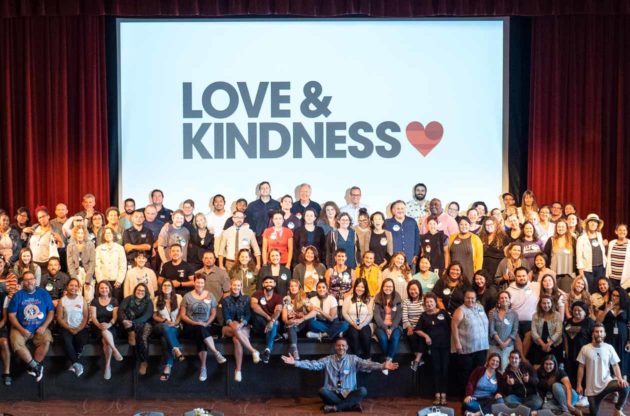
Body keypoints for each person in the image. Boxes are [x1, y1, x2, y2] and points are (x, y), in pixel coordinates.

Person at [281, 337, 399, 414]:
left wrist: (383, 366)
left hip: (348, 393)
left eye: (343, 345)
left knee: (363, 390)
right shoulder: (328, 359)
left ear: (346, 348)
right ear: (335, 347)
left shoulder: (353, 359)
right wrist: (295, 362)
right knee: (322, 391)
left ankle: (335, 408)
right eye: (338, 345)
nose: (341, 347)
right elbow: (313, 364)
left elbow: (367, 364)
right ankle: (350, 405)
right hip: (333, 394)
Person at [7, 270, 54, 382]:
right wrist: (21, 330)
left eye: (31, 279)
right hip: (21, 327)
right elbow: (11, 315)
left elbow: (51, 312)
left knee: (46, 340)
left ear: (35, 280)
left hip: (40, 327)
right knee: (16, 342)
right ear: (23, 282)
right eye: (26, 280)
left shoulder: (43, 293)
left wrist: (44, 326)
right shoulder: (18, 295)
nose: (29, 282)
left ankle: (33, 367)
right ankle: (36, 367)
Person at [179, 274, 226, 382]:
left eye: (202, 282)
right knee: (200, 329)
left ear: (204, 284)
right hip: (190, 326)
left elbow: (213, 313)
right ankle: (215, 353)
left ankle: (203, 368)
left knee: (201, 333)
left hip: (206, 326)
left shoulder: (210, 295)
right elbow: (183, 315)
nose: (199, 284)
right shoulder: (187, 296)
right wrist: (194, 323)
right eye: (198, 282)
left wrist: (206, 323)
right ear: (194, 282)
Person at [576, 323, 629, 416]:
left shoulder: (609, 348)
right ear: (593, 334)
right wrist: (579, 384)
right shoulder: (585, 349)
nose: (599, 334)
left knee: (625, 387)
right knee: (593, 413)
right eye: (597, 331)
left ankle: (618, 410)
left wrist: (620, 378)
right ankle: (581, 412)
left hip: (607, 383)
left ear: (604, 334)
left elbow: (615, 365)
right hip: (591, 389)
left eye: (601, 331)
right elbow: (581, 367)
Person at [414, 292, 451, 405]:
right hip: (433, 347)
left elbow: (452, 326)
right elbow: (417, 329)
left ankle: (443, 394)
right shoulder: (424, 315)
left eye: (431, 302)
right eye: (427, 302)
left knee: (444, 370)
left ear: (435, 302)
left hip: (445, 346)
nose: (429, 304)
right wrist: (426, 336)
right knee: (436, 369)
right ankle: (437, 395)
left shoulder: (443, 313)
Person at [222, 278, 261, 381]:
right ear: (230, 286)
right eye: (234, 285)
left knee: (236, 340)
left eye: (238, 285)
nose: (236, 287)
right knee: (235, 326)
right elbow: (226, 316)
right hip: (228, 327)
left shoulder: (246, 298)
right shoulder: (225, 299)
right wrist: (233, 324)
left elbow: (248, 315)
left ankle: (238, 370)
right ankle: (253, 351)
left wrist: (242, 323)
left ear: (241, 287)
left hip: (243, 326)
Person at [452, 290, 489, 395]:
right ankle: (465, 396)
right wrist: (457, 343)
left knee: (479, 372)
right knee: (466, 374)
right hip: (467, 348)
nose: (470, 300)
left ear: (476, 298)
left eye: (472, 298)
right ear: (464, 298)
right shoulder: (460, 310)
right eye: (468, 297)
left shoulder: (480, 307)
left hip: (481, 347)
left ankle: (476, 394)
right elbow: (454, 327)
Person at [89, 281, 124, 380]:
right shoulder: (94, 301)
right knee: (104, 333)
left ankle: (107, 365)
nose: (104, 290)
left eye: (106, 288)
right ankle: (114, 351)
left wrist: (109, 324)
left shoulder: (114, 301)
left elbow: (115, 317)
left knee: (105, 339)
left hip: (111, 326)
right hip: (97, 326)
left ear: (109, 289)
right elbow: (94, 318)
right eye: (101, 288)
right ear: (98, 290)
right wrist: (100, 326)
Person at [56, 278, 89, 377]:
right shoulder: (62, 301)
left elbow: (86, 316)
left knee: (82, 340)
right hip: (66, 327)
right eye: (71, 285)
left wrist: (79, 328)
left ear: (79, 288)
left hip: (80, 327)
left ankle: (72, 362)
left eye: (76, 286)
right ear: (67, 286)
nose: (73, 287)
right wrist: (69, 328)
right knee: (67, 341)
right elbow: (59, 318)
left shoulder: (82, 299)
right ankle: (76, 364)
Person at [152, 280, 184, 382]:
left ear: (172, 287)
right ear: (161, 288)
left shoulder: (178, 298)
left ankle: (168, 366)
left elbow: (181, 313)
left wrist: (176, 322)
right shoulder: (156, 299)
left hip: (175, 327)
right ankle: (176, 349)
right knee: (165, 327)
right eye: (164, 285)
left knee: (164, 339)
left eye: (168, 285)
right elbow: (154, 316)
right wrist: (165, 320)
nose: (166, 287)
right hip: (160, 326)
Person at [119, 283, 153, 375]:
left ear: (146, 292)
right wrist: (124, 320)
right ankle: (131, 332)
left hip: (145, 324)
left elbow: (147, 316)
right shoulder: (129, 299)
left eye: (143, 291)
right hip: (129, 324)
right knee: (126, 315)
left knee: (143, 337)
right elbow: (121, 310)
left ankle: (144, 362)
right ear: (135, 290)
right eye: (138, 290)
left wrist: (133, 323)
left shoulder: (148, 301)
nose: (140, 292)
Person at [507, 266, 540, 359]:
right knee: (515, 335)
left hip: (530, 320)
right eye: (519, 276)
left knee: (529, 334)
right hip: (515, 321)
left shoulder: (536, 286)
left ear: (527, 276)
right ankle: (522, 359)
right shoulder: (509, 290)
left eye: (523, 276)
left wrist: (565, 296)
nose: (522, 278)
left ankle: (520, 359)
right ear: (515, 277)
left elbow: (553, 287)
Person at [250, 275, 283, 364]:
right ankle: (275, 334)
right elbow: (254, 306)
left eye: (271, 282)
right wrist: (268, 318)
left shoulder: (278, 297)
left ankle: (267, 350)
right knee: (257, 316)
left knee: (275, 323)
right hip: (259, 324)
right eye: (266, 282)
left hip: (271, 324)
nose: (269, 284)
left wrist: (272, 321)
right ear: (263, 284)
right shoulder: (257, 294)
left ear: (274, 284)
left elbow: (278, 311)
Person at [282, 278, 317, 360]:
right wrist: (288, 321)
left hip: (302, 325)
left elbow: (314, 311)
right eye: (291, 286)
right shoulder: (286, 299)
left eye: (295, 286)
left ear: (299, 288)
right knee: (291, 325)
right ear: (289, 288)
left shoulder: (304, 298)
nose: (293, 288)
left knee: (309, 319)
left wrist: (302, 318)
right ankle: (295, 350)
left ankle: (289, 335)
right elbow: (284, 318)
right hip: (291, 324)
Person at [373, 278, 402, 373]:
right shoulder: (378, 298)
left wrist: (392, 328)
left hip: (395, 326)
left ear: (393, 288)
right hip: (381, 326)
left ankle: (388, 361)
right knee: (383, 338)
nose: (388, 288)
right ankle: (388, 361)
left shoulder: (397, 298)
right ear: (382, 287)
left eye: (390, 286)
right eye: (386, 286)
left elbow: (398, 316)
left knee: (394, 338)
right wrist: (386, 329)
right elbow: (376, 316)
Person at [598, 287, 630, 376]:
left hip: (622, 338)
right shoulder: (606, 306)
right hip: (608, 337)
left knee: (622, 359)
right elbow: (598, 322)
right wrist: (607, 309)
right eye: (613, 295)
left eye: (617, 296)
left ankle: (622, 382)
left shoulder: (627, 307)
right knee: (609, 359)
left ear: (622, 297)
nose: (614, 297)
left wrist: (629, 341)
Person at [342, 278, 374, 359]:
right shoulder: (348, 298)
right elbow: (344, 313)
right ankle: (356, 359)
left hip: (364, 323)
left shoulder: (369, 299)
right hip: (351, 324)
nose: (360, 289)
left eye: (362, 287)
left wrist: (362, 324)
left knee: (366, 335)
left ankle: (367, 358)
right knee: (354, 335)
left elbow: (370, 314)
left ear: (365, 288)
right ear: (355, 287)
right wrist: (353, 323)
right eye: (358, 286)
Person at [564, 301, 595, 383]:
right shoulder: (568, 321)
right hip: (571, 353)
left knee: (585, 376)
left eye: (579, 310)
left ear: (585, 312)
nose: (576, 312)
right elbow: (566, 338)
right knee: (572, 375)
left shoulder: (589, 322)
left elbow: (594, 338)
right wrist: (566, 352)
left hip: (585, 353)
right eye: (574, 310)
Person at [488, 290, 518, 371]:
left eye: (506, 298)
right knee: (492, 368)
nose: (504, 300)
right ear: (498, 300)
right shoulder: (492, 313)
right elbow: (491, 330)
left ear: (509, 300)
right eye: (501, 298)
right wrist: (500, 343)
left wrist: (505, 343)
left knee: (505, 369)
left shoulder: (514, 314)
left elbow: (514, 331)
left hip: (508, 347)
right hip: (494, 345)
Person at [544, 219, 577, 293]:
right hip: (554, 274)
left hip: (569, 275)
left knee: (566, 297)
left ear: (566, 228)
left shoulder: (572, 240)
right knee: (555, 296)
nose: (560, 228)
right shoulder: (551, 240)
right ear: (556, 228)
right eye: (559, 227)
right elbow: (545, 256)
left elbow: (577, 257)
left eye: (563, 226)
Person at [530, 294, 564, 366]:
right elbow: (534, 332)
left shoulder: (557, 315)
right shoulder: (535, 315)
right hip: (539, 344)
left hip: (554, 344)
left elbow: (559, 332)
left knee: (554, 366)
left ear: (551, 304)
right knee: (537, 366)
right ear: (540, 304)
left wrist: (548, 344)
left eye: (548, 303)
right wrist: (543, 345)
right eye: (544, 303)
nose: (546, 305)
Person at [95, 226, 127, 301]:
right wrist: (100, 281)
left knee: (115, 302)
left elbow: (123, 265)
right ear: (103, 236)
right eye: (106, 233)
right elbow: (97, 266)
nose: (108, 235)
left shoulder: (120, 248)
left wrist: (119, 280)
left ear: (113, 235)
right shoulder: (99, 249)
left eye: (110, 233)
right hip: (103, 280)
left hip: (116, 281)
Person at [448, 217, 483, 285]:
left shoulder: (476, 239)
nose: (464, 226)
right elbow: (448, 255)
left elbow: (479, 258)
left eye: (466, 224)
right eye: (461, 224)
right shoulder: (452, 237)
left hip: (469, 273)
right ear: (458, 225)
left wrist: (477, 274)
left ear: (469, 225)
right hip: (454, 273)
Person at [577, 213, 606, 293]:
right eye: (591, 222)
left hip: (600, 268)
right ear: (587, 224)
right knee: (589, 290)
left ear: (597, 224)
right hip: (588, 270)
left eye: (595, 222)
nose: (593, 224)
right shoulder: (581, 239)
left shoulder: (599, 235)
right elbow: (579, 257)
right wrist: (581, 273)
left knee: (599, 290)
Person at [385, 201, 420, 267]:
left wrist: (416, 254)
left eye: (402, 208)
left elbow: (417, 239)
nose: (400, 210)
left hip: (409, 259)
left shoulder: (412, 221)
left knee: (409, 277)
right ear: (393, 210)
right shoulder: (387, 223)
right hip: (393, 260)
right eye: (398, 208)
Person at [66, 225, 96, 299]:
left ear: (85, 234)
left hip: (88, 272)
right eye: (78, 233)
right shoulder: (70, 246)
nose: (80, 235)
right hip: (76, 273)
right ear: (75, 234)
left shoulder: (90, 245)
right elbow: (70, 264)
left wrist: (88, 279)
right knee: (77, 296)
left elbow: (92, 262)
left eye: (82, 233)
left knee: (89, 297)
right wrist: (75, 279)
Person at [402, 280, 424, 370]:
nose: (413, 292)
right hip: (410, 326)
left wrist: (420, 328)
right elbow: (404, 316)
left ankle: (417, 359)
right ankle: (419, 358)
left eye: (415, 289)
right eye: (411, 289)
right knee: (412, 336)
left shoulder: (424, 300)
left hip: (422, 326)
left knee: (423, 336)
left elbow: (427, 315)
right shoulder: (406, 301)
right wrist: (409, 327)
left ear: (419, 289)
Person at [608, 223, 630, 290]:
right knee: (613, 297)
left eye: (624, 230)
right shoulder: (612, 243)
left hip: (625, 278)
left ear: (627, 232)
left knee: (624, 298)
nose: (622, 232)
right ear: (616, 231)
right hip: (612, 278)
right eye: (620, 230)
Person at [0, 271, 12, 385]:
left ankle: (7, 373)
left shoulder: (3, 296)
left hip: (1, 325)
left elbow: (4, 317)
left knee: (4, 342)